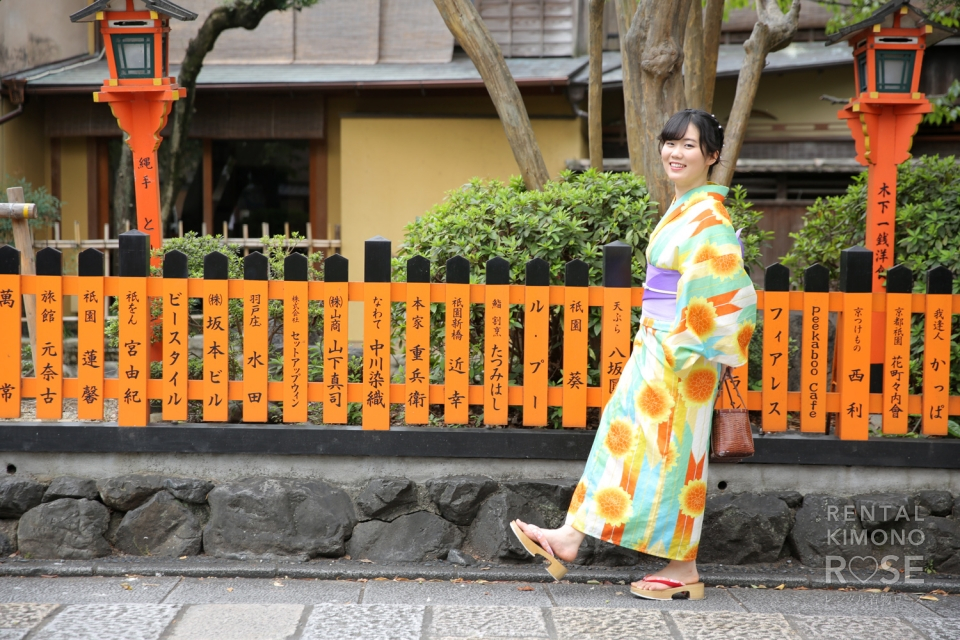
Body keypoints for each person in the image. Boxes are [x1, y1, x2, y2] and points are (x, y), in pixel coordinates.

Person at [511, 109, 757, 600]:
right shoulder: (688, 207)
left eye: (689, 145)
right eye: (669, 143)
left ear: (711, 155)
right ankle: (570, 537)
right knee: (626, 441)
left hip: (680, 354)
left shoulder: (710, 217)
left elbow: (727, 289)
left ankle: (682, 568)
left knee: (673, 454)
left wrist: (682, 344)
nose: (675, 152)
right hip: (660, 344)